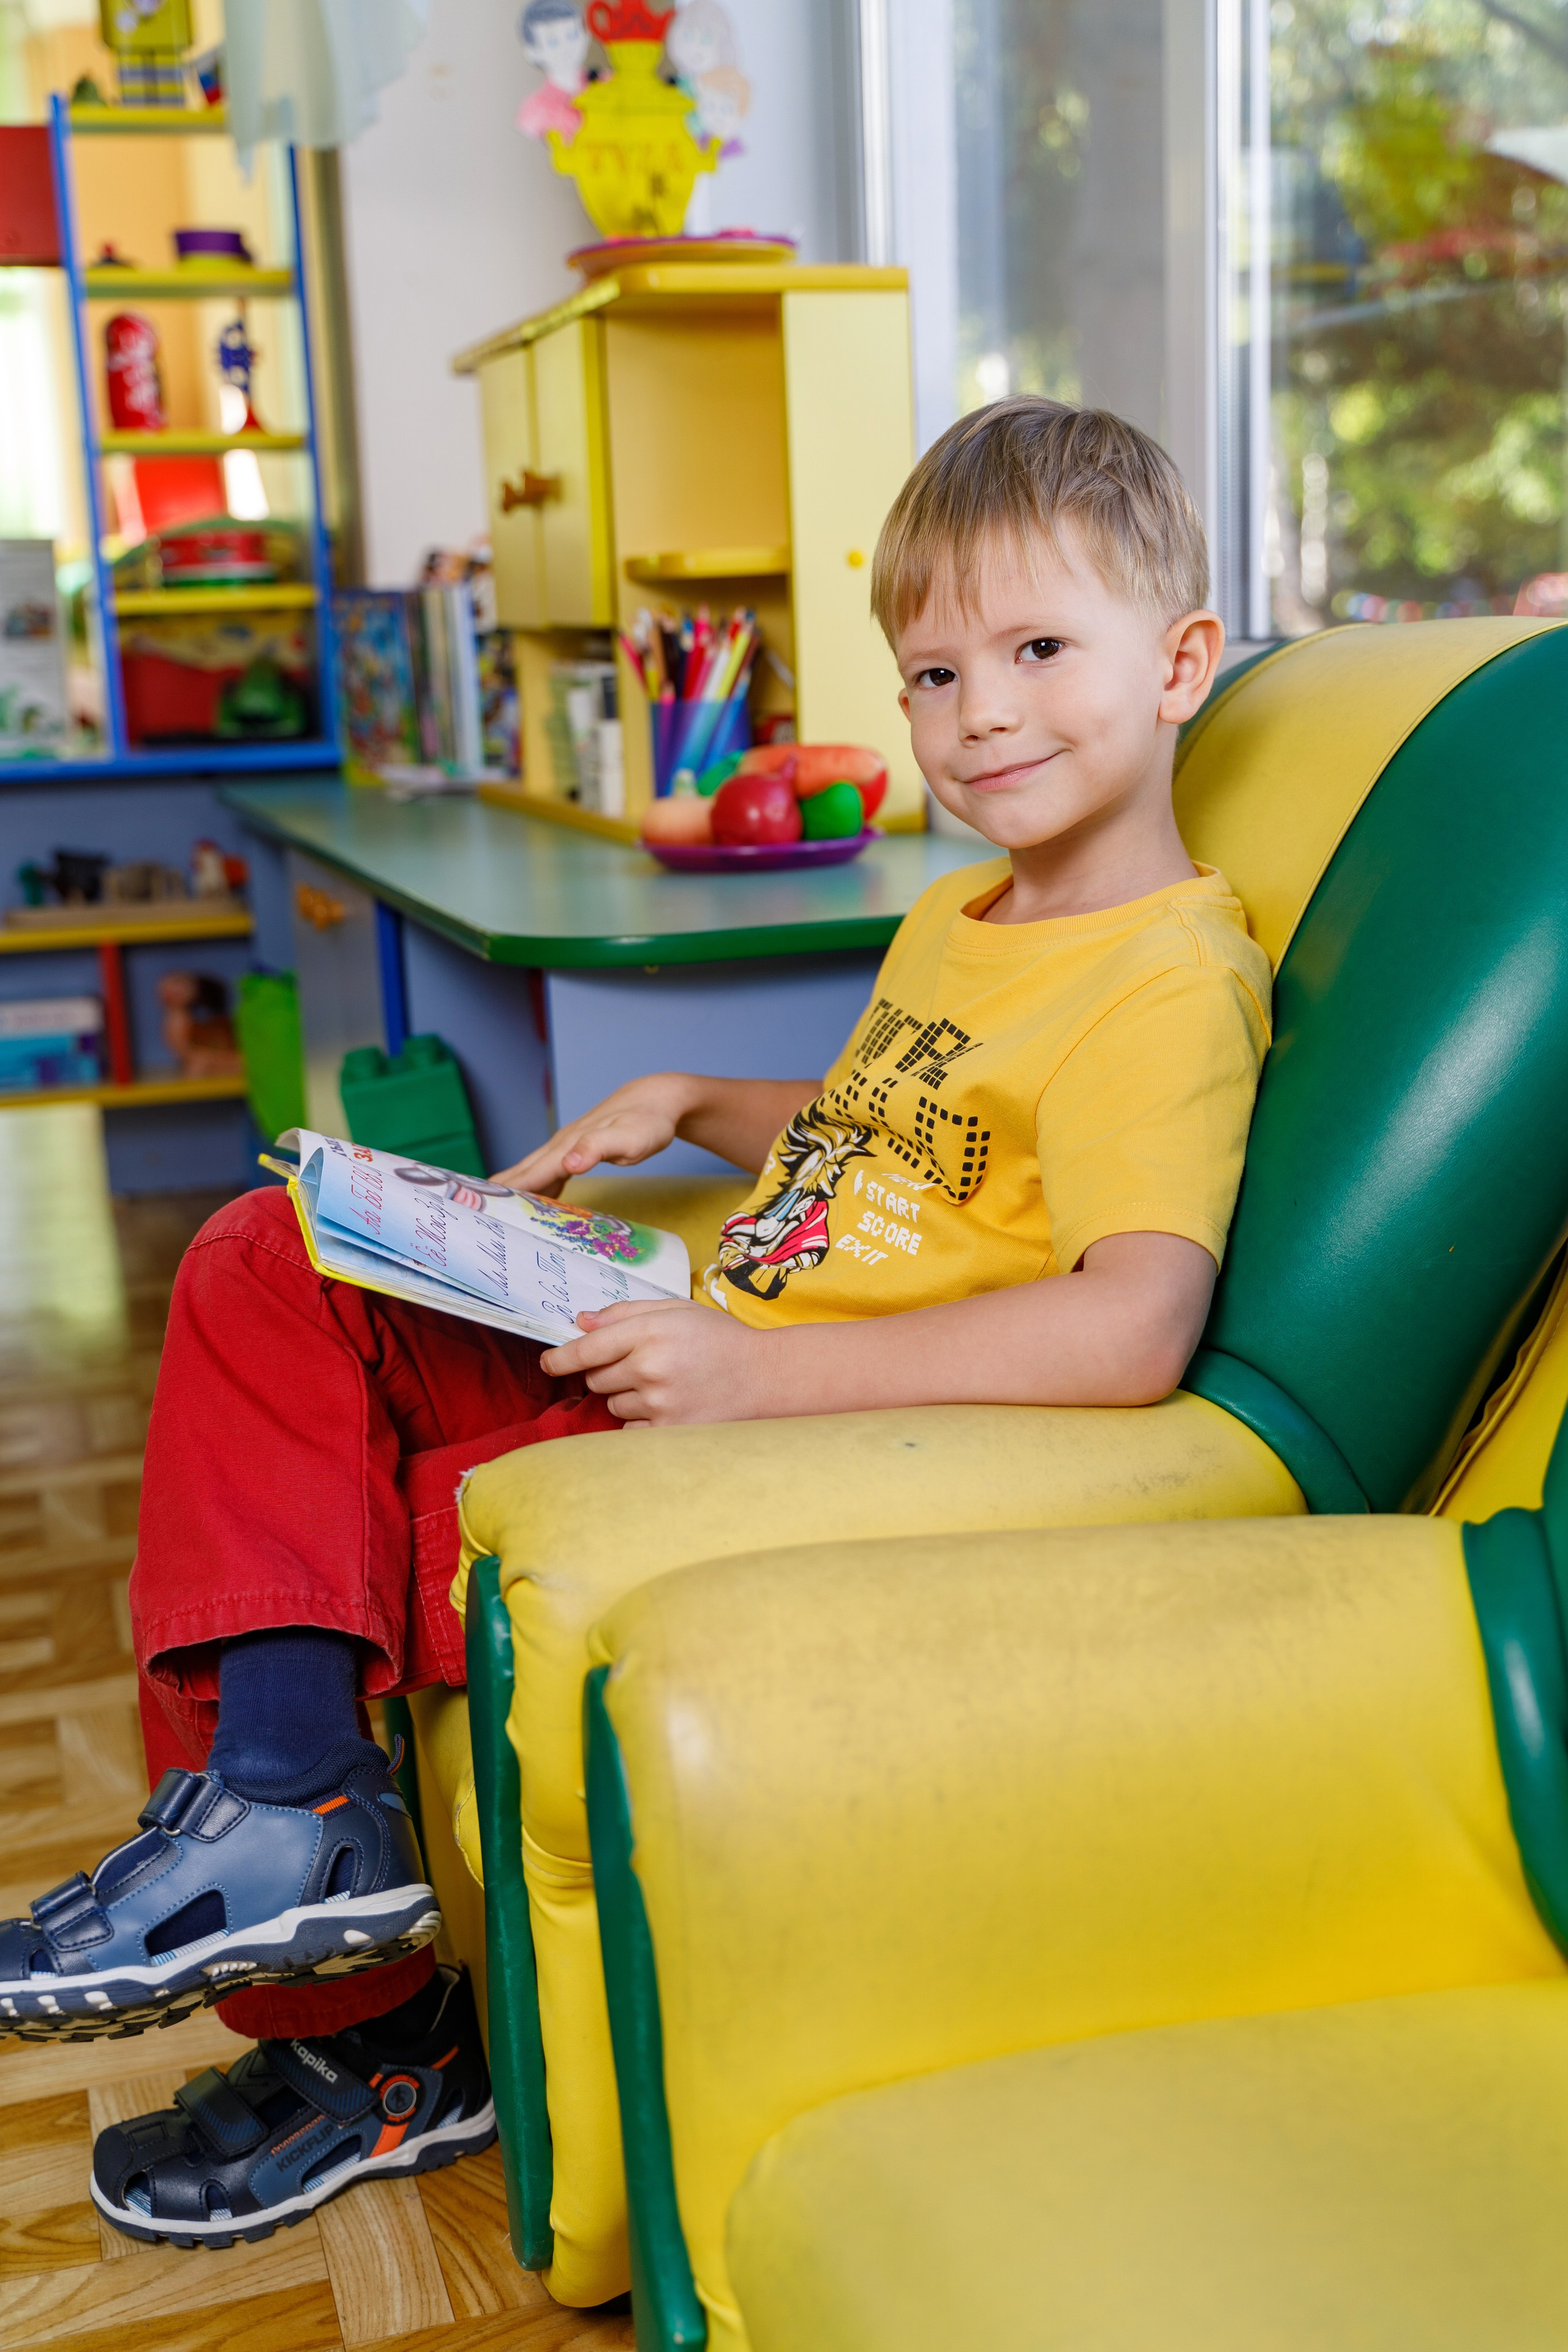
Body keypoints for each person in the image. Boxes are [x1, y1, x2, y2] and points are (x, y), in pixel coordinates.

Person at [0, 397, 1272, 2247]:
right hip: (680, 1325)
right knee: (266, 1256)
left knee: (346, 1535)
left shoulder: (1164, 985)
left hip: (761, 1417)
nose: (979, 714)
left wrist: (759, 1377)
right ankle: (299, 1824)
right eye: (934, 674)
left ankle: (369, 2037)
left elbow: (1131, 1324)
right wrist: (696, 1097)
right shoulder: (967, 915)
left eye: (1037, 652)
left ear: (1179, 665)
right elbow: (895, 1143)